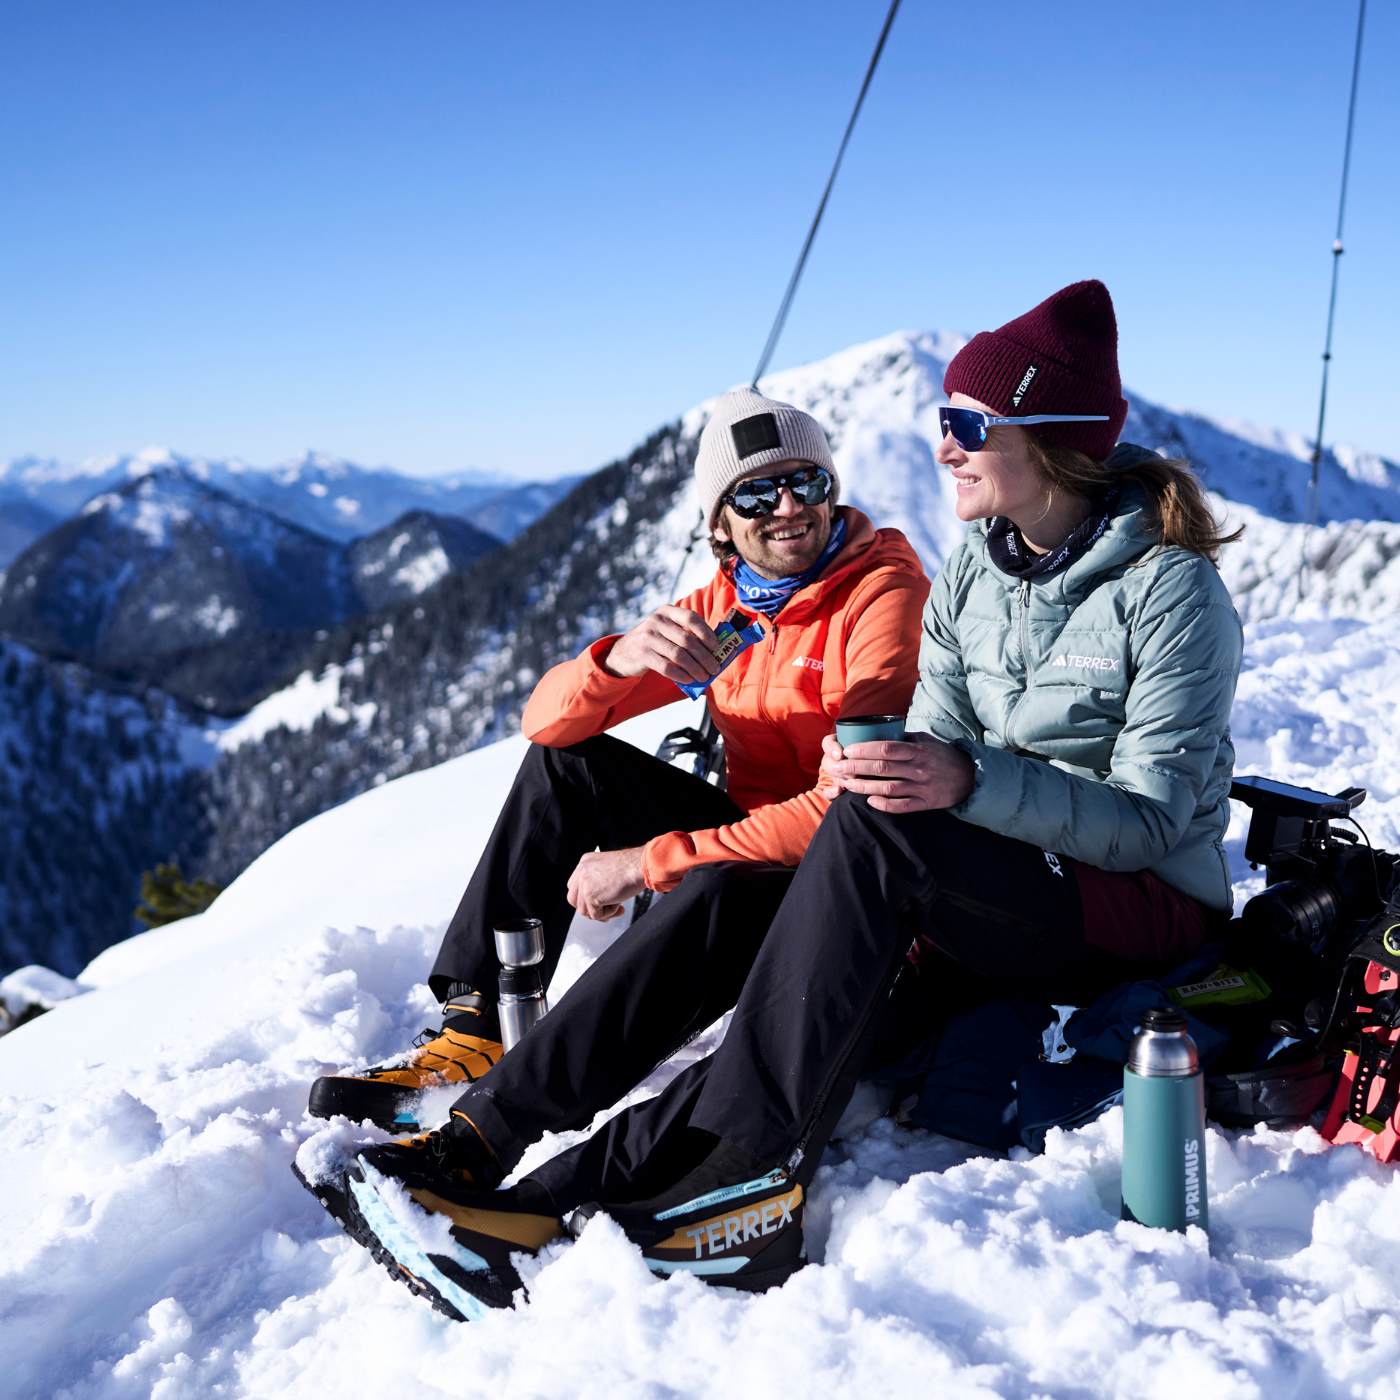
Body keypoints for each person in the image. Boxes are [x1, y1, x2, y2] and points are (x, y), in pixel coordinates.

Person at [301, 280, 1243, 1321]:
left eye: (968, 426)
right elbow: (920, 736)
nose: (943, 448)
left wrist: (959, 779)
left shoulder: (1168, 591)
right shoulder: (979, 567)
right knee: (747, 884)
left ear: (1050, 439)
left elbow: (1152, 820)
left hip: (1134, 904)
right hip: (987, 875)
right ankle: (494, 1150)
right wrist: (887, 769)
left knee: (870, 826)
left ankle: (743, 1176)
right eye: (942, 423)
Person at [305, 386, 929, 1133]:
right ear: (721, 524)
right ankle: (474, 1032)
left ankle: (523, 1104)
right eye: (757, 492)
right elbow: (547, 725)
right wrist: (621, 660)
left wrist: (651, 860)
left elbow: (854, 802)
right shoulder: (731, 609)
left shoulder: (882, 597)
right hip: (759, 840)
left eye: (808, 483)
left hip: (849, 872)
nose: (788, 506)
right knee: (567, 770)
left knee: (715, 885)